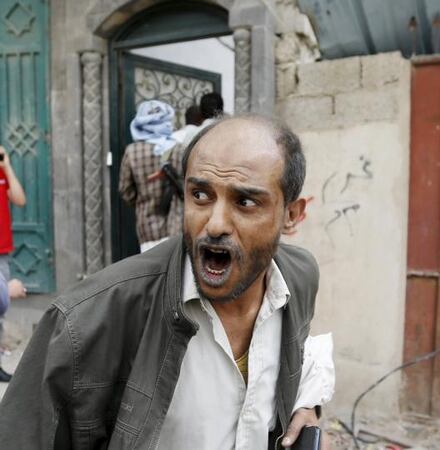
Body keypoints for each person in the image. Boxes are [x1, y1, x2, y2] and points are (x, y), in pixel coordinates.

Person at [0, 116, 333, 449]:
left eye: (245, 202)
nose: (215, 224)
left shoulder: (297, 277)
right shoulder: (85, 320)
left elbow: (303, 347)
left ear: (292, 215)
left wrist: (307, 403)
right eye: (201, 195)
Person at [119, 100, 184, 252]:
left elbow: (125, 190)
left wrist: (143, 200)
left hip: (147, 227)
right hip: (179, 225)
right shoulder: (179, 148)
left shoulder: (132, 152)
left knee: (152, 273)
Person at [0, 144, 25, 382]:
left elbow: (19, 199)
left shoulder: (2, 173)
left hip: (2, 250)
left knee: (0, 309)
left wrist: (7, 167)